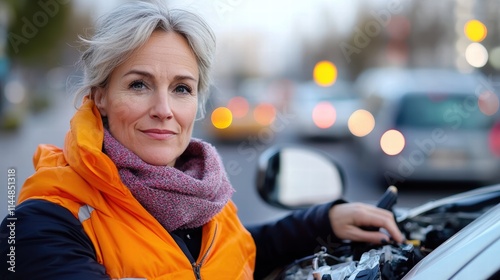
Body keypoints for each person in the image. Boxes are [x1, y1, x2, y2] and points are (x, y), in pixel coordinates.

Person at [0, 1, 403, 279]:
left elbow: (231, 251)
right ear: (100, 96)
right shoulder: (42, 226)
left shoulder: (205, 198)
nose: (164, 109)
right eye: (139, 84)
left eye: (181, 89)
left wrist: (323, 221)